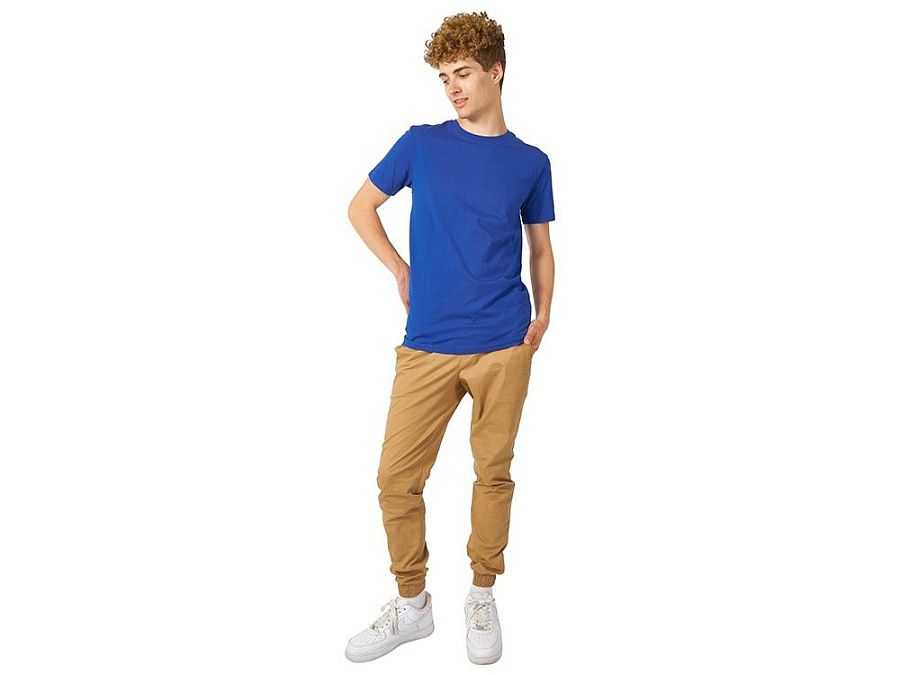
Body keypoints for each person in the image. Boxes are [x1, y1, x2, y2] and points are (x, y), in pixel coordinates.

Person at [344, 11, 556, 665]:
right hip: (428, 341)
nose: (453, 88)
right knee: (395, 479)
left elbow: (540, 248)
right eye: (444, 77)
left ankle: (482, 593)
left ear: (497, 70)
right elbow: (360, 207)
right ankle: (412, 605)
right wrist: (400, 270)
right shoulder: (421, 144)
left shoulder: (531, 162)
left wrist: (543, 316)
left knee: (493, 473)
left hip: (503, 341)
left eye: (463, 72)